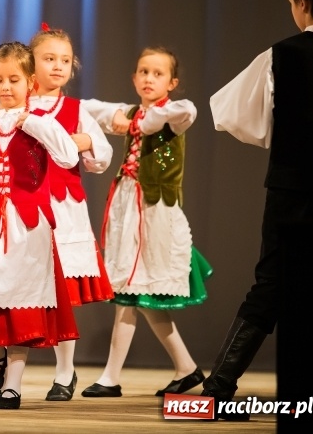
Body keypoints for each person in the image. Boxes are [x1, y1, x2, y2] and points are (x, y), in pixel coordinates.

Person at [207, 0, 313, 421]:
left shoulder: (279, 55)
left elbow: (231, 114)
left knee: (272, 287)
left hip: (294, 189)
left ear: (300, 2)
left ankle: (216, 392)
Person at [0, 41, 79, 410]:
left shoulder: (39, 123)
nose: (6, 87)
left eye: (14, 80)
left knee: (22, 303)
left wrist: (32, 121)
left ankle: (14, 384)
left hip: (28, 227)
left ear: (31, 85)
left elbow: (68, 156)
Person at [79, 46, 211, 397]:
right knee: (139, 293)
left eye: (157, 73)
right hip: (130, 208)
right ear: (134, 78)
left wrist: (136, 120)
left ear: (172, 81)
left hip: (155, 213)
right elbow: (91, 108)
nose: (149, 78)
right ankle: (186, 368)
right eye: (143, 72)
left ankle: (110, 377)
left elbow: (184, 110)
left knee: (131, 291)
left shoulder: (174, 113)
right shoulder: (133, 111)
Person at [26, 26, 114, 402]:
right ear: (31, 64)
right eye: (49, 59)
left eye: (65, 60)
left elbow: (103, 158)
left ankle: (65, 372)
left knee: (60, 292)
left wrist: (87, 140)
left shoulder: (76, 111)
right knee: (18, 286)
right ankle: (4, 363)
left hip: (62, 209)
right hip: (22, 209)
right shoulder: (17, 103)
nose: (58, 66)